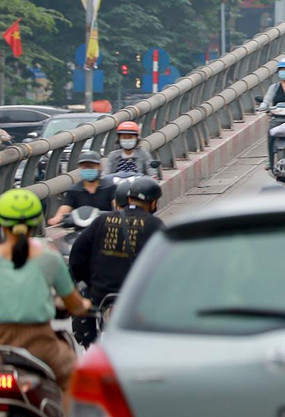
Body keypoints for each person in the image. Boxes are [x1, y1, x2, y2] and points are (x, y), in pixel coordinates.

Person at [0, 189, 90, 393]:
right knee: (72, 379)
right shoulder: (49, 258)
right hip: (39, 344)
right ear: (37, 222)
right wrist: (84, 305)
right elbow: (74, 304)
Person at [67, 176, 164, 347]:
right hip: (137, 297)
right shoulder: (155, 225)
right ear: (153, 203)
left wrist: (88, 282)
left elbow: (77, 255)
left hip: (101, 295)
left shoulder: (101, 221)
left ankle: (89, 348)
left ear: (127, 199)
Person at [48, 149, 116, 227]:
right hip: (81, 228)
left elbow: (117, 207)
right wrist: (57, 218)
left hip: (104, 226)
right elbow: (66, 206)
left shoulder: (109, 187)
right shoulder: (74, 190)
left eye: (91, 167)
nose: (88, 170)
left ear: (99, 166)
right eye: (85, 167)